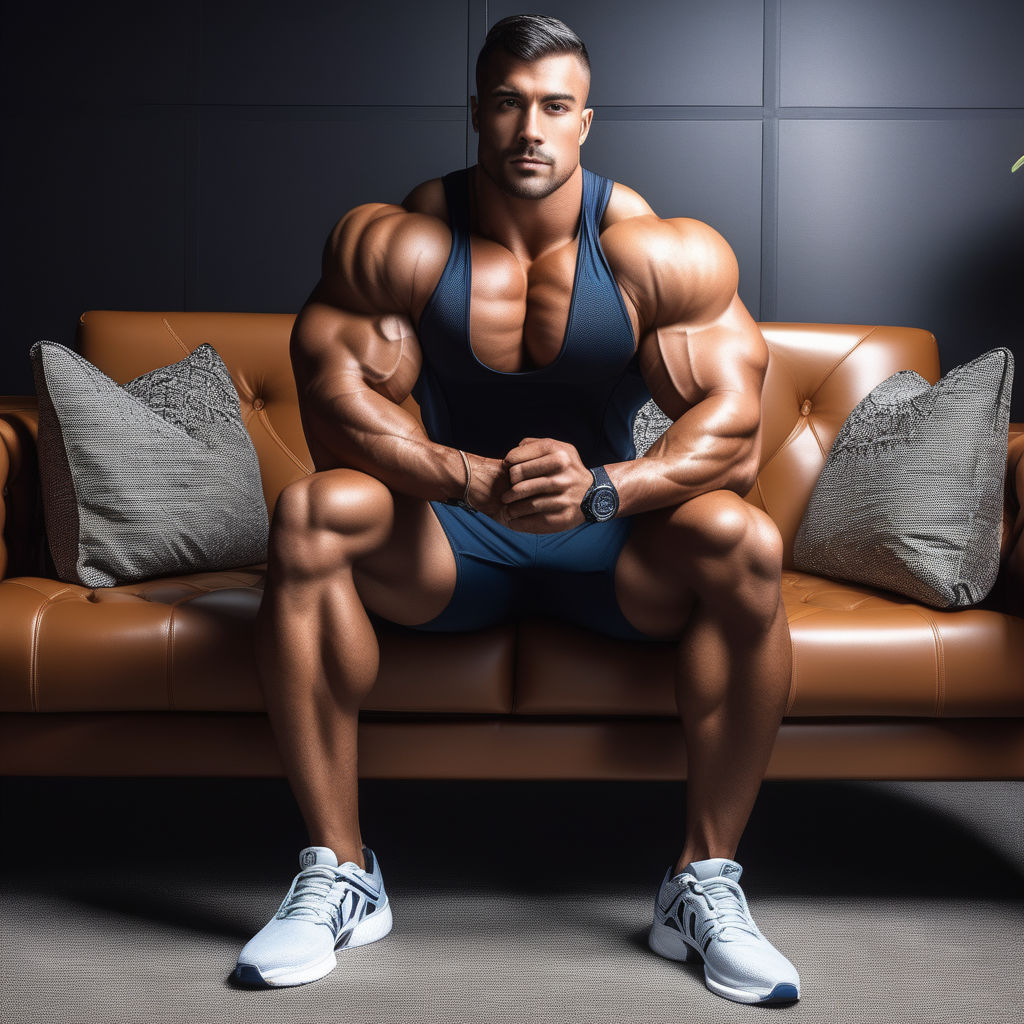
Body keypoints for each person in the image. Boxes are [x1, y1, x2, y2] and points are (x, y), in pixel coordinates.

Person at [234, 13, 799, 1006]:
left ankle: (699, 881)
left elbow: (737, 434)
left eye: (552, 106)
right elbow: (333, 410)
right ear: (476, 114)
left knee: (742, 538)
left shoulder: (656, 252)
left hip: (608, 542)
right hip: (449, 539)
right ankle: (341, 869)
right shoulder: (397, 243)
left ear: (587, 119)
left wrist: (604, 488)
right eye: (506, 104)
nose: (528, 129)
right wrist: (463, 476)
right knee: (312, 513)